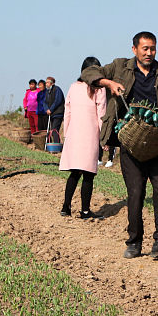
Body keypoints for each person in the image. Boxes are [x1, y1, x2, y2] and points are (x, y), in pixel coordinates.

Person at [82, 31, 158, 259]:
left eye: (152, 48)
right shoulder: (119, 67)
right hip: (131, 142)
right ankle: (134, 241)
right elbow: (89, 72)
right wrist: (108, 83)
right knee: (135, 194)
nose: (149, 53)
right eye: (144, 48)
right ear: (134, 49)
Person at [59, 58, 108, 218]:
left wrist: (67, 134)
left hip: (74, 133)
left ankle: (66, 208)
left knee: (74, 172)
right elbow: (102, 115)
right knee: (88, 173)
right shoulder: (99, 90)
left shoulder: (73, 87)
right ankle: (85, 211)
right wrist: (104, 137)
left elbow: (68, 112)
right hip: (90, 134)